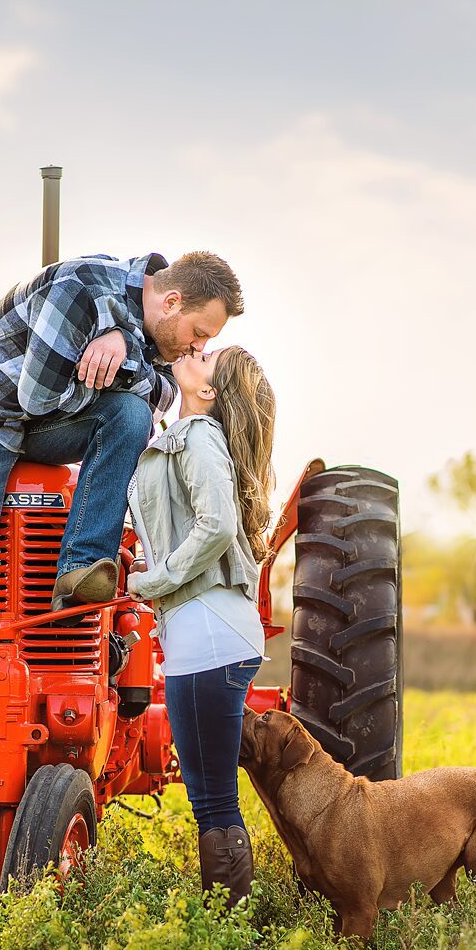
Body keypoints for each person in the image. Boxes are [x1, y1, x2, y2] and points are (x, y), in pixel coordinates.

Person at [0, 250, 244, 780]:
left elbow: (161, 397)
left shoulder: (153, 329)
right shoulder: (80, 288)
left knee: (130, 415)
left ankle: (81, 564)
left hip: (39, 421)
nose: (199, 347)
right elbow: (38, 396)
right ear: (170, 301)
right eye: (200, 332)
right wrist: (123, 356)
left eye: (206, 342)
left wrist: (121, 352)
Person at [126, 345, 276, 907]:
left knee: (213, 801)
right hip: (208, 631)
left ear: (209, 391)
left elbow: (216, 527)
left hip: (208, 632)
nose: (194, 351)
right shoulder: (185, 436)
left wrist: (154, 581)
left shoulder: (199, 436)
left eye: (205, 357)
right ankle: (228, 921)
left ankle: (229, 930)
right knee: (212, 797)